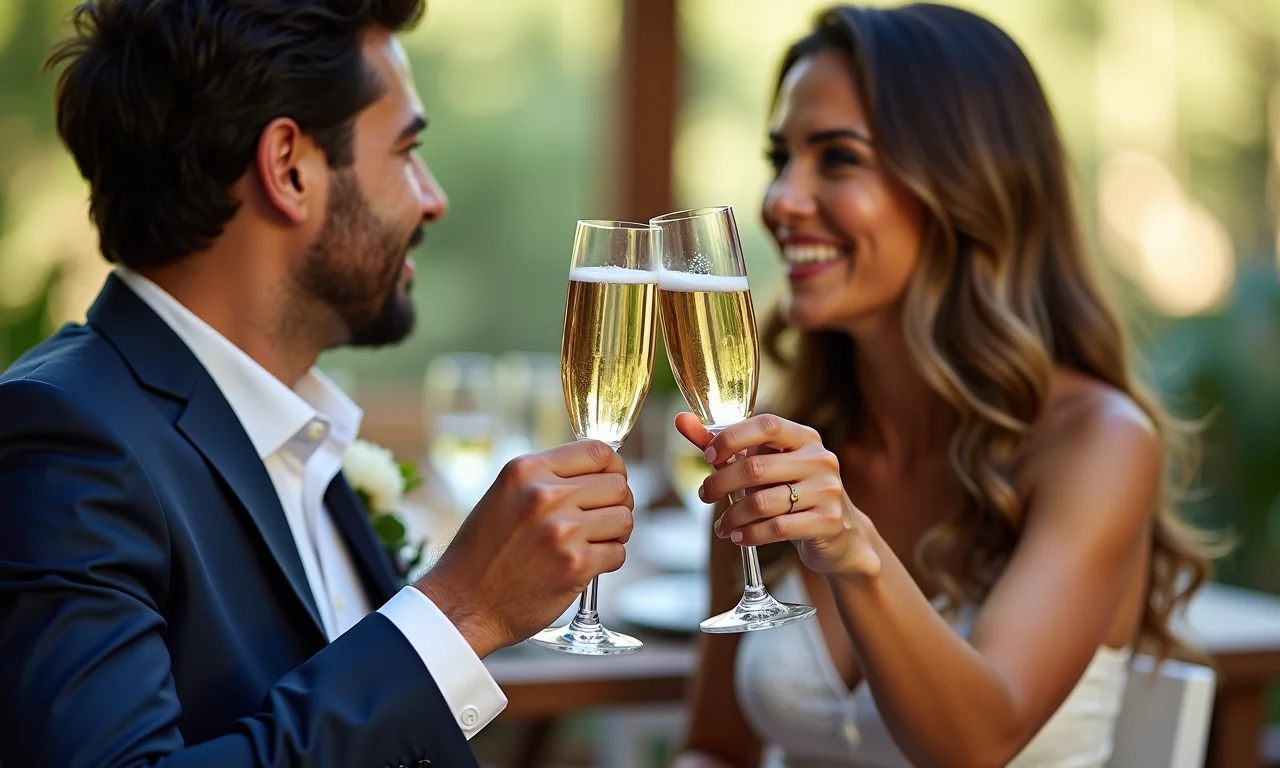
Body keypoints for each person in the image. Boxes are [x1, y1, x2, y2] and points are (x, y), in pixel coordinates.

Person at [0, 1, 636, 766]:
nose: (433, 198)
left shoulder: (292, 437)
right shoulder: (67, 440)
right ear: (289, 168)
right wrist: (462, 611)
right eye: (406, 150)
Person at [672, 5, 1213, 767]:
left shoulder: (1097, 444)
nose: (781, 201)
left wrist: (853, 547)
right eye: (780, 159)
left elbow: (977, 744)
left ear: (963, 185)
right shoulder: (781, 455)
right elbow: (719, 748)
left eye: (838, 159)